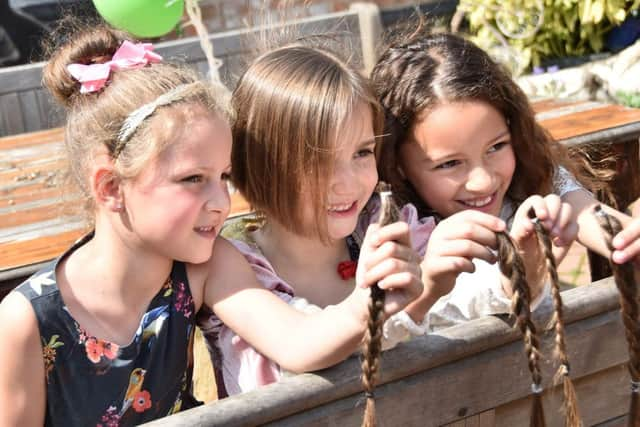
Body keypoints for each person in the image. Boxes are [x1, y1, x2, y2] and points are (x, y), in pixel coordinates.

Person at [0, 25, 423, 426]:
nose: (221, 202)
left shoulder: (201, 268)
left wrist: (365, 302)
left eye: (223, 177)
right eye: (192, 180)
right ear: (111, 186)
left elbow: (296, 343)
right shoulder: (26, 321)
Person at [198, 41, 434, 397]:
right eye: (319, 160)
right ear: (262, 166)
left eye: (362, 152)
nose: (348, 182)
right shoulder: (231, 266)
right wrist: (368, 304)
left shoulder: (388, 229)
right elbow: (297, 345)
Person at [370, 29, 640, 331]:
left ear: (514, 128)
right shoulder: (385, 233)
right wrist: (522, 272)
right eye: (449, 164)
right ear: (399, 165)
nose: (483, 181)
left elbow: (584, 211)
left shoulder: (529, 175)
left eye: (496, 146)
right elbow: (430, 311)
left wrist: (625, 238)